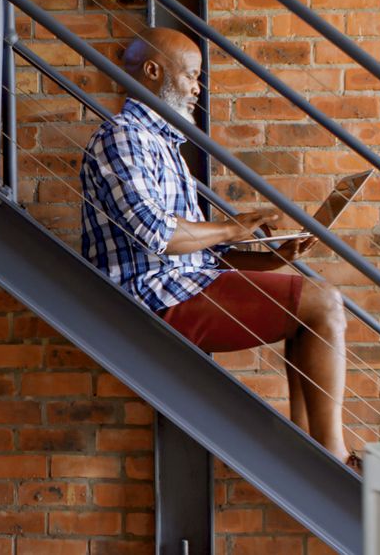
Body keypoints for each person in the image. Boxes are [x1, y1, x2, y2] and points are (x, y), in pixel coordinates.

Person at [79, 27, 351, 464]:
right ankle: (333, 455)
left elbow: (200, 250)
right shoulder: (122, 137)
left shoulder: (164, 143)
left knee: (312, 309)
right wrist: (233, 227)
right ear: (153, 71)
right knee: (324, 303)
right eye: (191, 76)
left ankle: (313, 448)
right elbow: (158, 235)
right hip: (149, 298)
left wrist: (273, 257)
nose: (197, 88)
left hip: (184, 283)